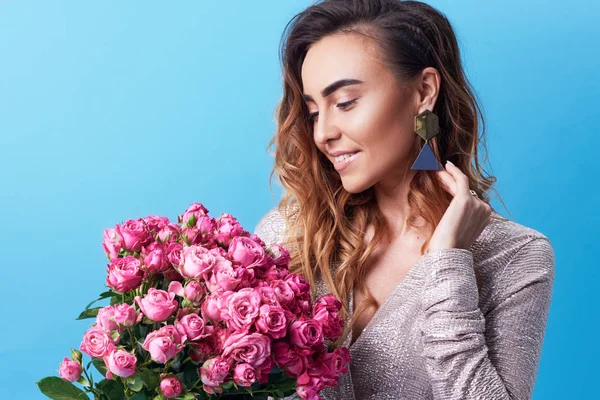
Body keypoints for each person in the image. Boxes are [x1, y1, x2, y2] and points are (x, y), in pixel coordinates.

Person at [254, 0, 555, 399]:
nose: (322, 132)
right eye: (313, 111)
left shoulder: (515, 257)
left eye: (344, 103)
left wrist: (450, 263)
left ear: (424, 91)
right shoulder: (288, 236)